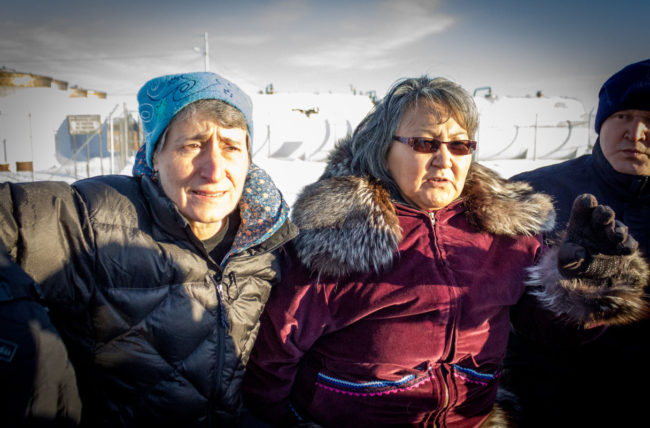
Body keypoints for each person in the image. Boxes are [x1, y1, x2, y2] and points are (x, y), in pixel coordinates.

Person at [242, 75, 649, 427]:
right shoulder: (336, 238)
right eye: (423, 142)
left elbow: (542, 330)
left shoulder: (504, 233)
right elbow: (272, 360)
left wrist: (583, 289)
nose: (443, 160)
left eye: (459, 145)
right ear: (385, 148)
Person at [0, 71, 297, 426]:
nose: (215, 169)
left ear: (249, 161)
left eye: (232, 147)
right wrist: (25, 338)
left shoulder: (270, 242)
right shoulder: (96, 218)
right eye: (192, 145)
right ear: (155, 155)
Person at [501, 59, 650, 427]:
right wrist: (567, 280)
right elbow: (493, 302)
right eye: (623, 116)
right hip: (547, 400)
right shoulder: (531, 192)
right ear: (601, 123)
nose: (637, 132)